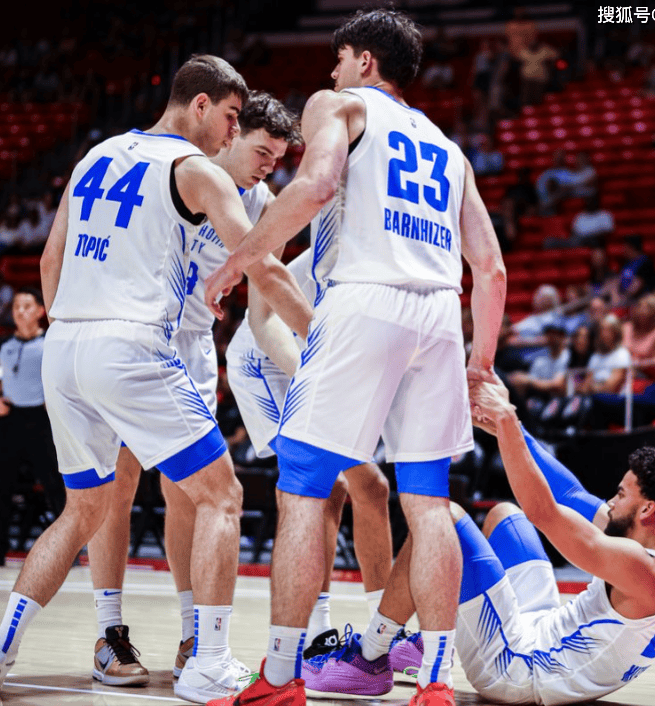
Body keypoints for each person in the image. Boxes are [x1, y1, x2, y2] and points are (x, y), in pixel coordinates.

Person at [203, 9, 506, 706]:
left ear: (363, 61)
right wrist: (481, 363)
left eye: (338, 58)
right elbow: (490, 270)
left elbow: (315, 186)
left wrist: (238, 260)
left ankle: (280, 678)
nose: (331, 71)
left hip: (365, 298)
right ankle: (436, 682)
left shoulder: (338, 104)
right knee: (428, 502)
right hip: (440, 312)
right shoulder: (449, 150)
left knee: (303, 488)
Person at [0, 54, 314, 703]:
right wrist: (325, 342)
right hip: (136, 345)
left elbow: (51, 258)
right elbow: (267, 273)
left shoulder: (96, 154)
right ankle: (207, 661)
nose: (233, 131)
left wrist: (73, 335)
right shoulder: (196, 169)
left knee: (84, 509)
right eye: (231, 117)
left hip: (70, 341)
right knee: (221, 494)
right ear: (201, 105)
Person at [80, 90, 302, 693]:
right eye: (261, 152)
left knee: (192, 494)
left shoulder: (264, 204)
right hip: (135, 338)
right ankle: (109, 632)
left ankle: (194, 636)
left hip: (194, 348)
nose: (268, 168)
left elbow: (262, 311)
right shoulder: (176, 170)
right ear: (231, 134)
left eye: (278, 159)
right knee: (117, 484)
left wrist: (304, 360)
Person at [362, 371, 655, 706]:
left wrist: (506, 419)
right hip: (541, 633)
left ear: (647, 509)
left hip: (515, 670)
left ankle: (369, 656)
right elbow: (570, 494)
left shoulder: (645, 572)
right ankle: (431, 640)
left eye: (621, 494)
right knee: (505, 515)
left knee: (440, 520)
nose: (611, 502)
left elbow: (544, 513)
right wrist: (510, 430)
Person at [224, 247, 397, 663]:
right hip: (266, 358)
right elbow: (266, 317)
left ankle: (386, 630)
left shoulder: (399, 259)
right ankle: (314, 634)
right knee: (324, 486)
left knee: (372, 488)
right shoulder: (339, 240)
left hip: (319, 356)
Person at [0, 288, 65, 567]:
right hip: (9, 420)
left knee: (54, 484)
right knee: (0, 486)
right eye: (16, 307)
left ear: (40, 311)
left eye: (26, 306)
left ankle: (65, 550)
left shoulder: (51, 342)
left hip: (41, 420)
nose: (20, 311)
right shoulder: (2, 344)